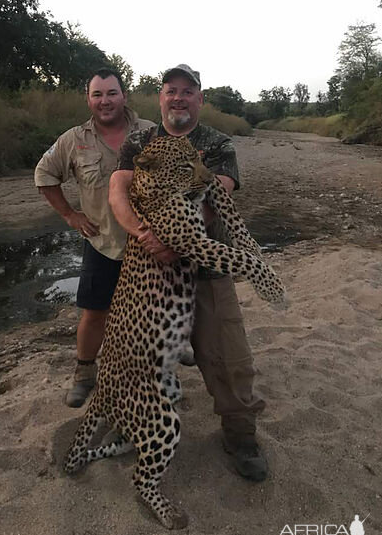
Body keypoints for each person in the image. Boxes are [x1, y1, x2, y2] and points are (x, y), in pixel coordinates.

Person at [109, 64, 268, 481]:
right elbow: (117, 191)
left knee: (229, 359)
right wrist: (145, 234)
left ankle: (240, 435)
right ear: (160, 97)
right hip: (149, 276)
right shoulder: (139, 141)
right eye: (171, 90)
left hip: (207, 273)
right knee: (137, 359)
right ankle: (133, 424)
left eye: (187, 91)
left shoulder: (217, 143)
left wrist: (174, 241)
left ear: (200, 98)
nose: (178, 98)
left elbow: (218, 196)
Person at [34, 68, 154, 407]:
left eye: (111, 93)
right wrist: (70, 215)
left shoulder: (150, 132)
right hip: (102, 242)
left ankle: (147, 374)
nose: (105, 101)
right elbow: (44, 176)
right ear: (88, 99)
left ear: (124, 95)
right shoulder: (74, 139)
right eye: (97, 94)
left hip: (148, 244)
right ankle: (85, 373)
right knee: (94, 312)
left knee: (146, 312)